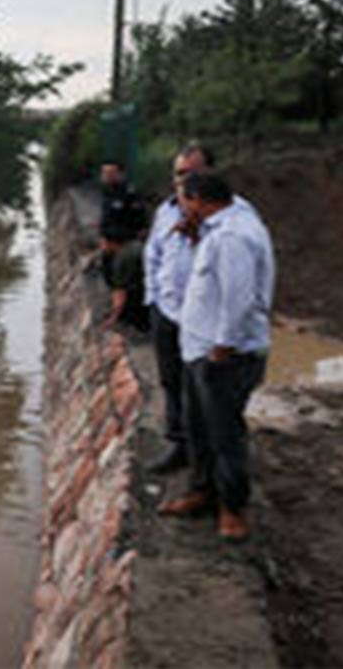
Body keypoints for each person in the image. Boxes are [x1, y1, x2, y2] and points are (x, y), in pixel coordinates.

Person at [157, 173, 275, 543]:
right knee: (199, 428)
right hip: (198, 348)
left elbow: (237, 298)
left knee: (225, 434)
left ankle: (233, 509)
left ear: (198, 199)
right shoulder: (218, 226)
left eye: (184, 200)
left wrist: (222, 346)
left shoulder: (232, 236)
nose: (182, 208)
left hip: (222, 354)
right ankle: (202, 491)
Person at [141, 143, 213, 474]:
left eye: (193, 172)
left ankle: (205, 458)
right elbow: (153, 255)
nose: (185, 179)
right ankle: (179, 445)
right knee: (171, 382)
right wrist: (153, 297)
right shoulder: (166, 211)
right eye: (179, 173)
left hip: (203, 320)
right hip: (166, 312)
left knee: (202, 390)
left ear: (210, 172)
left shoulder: (228, 216)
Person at [100, 225, 150, 333]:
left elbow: (120, 295)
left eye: (104, 243)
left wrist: (113, 318)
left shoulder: (121, 261)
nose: (102, 247)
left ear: (112, 243)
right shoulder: (136, 245)